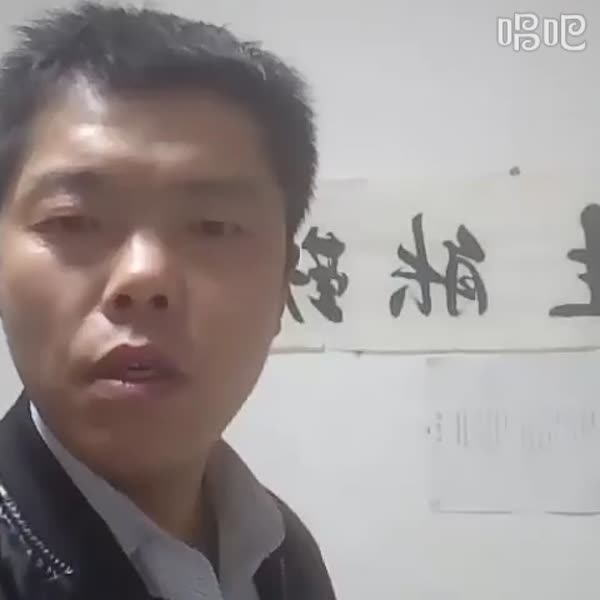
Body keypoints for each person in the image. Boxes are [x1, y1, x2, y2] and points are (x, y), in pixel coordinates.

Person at [0, 2, 336, 599]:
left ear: (285, 280)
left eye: (213, 227)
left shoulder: (282, 554)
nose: (144, 277)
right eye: (73, 221)